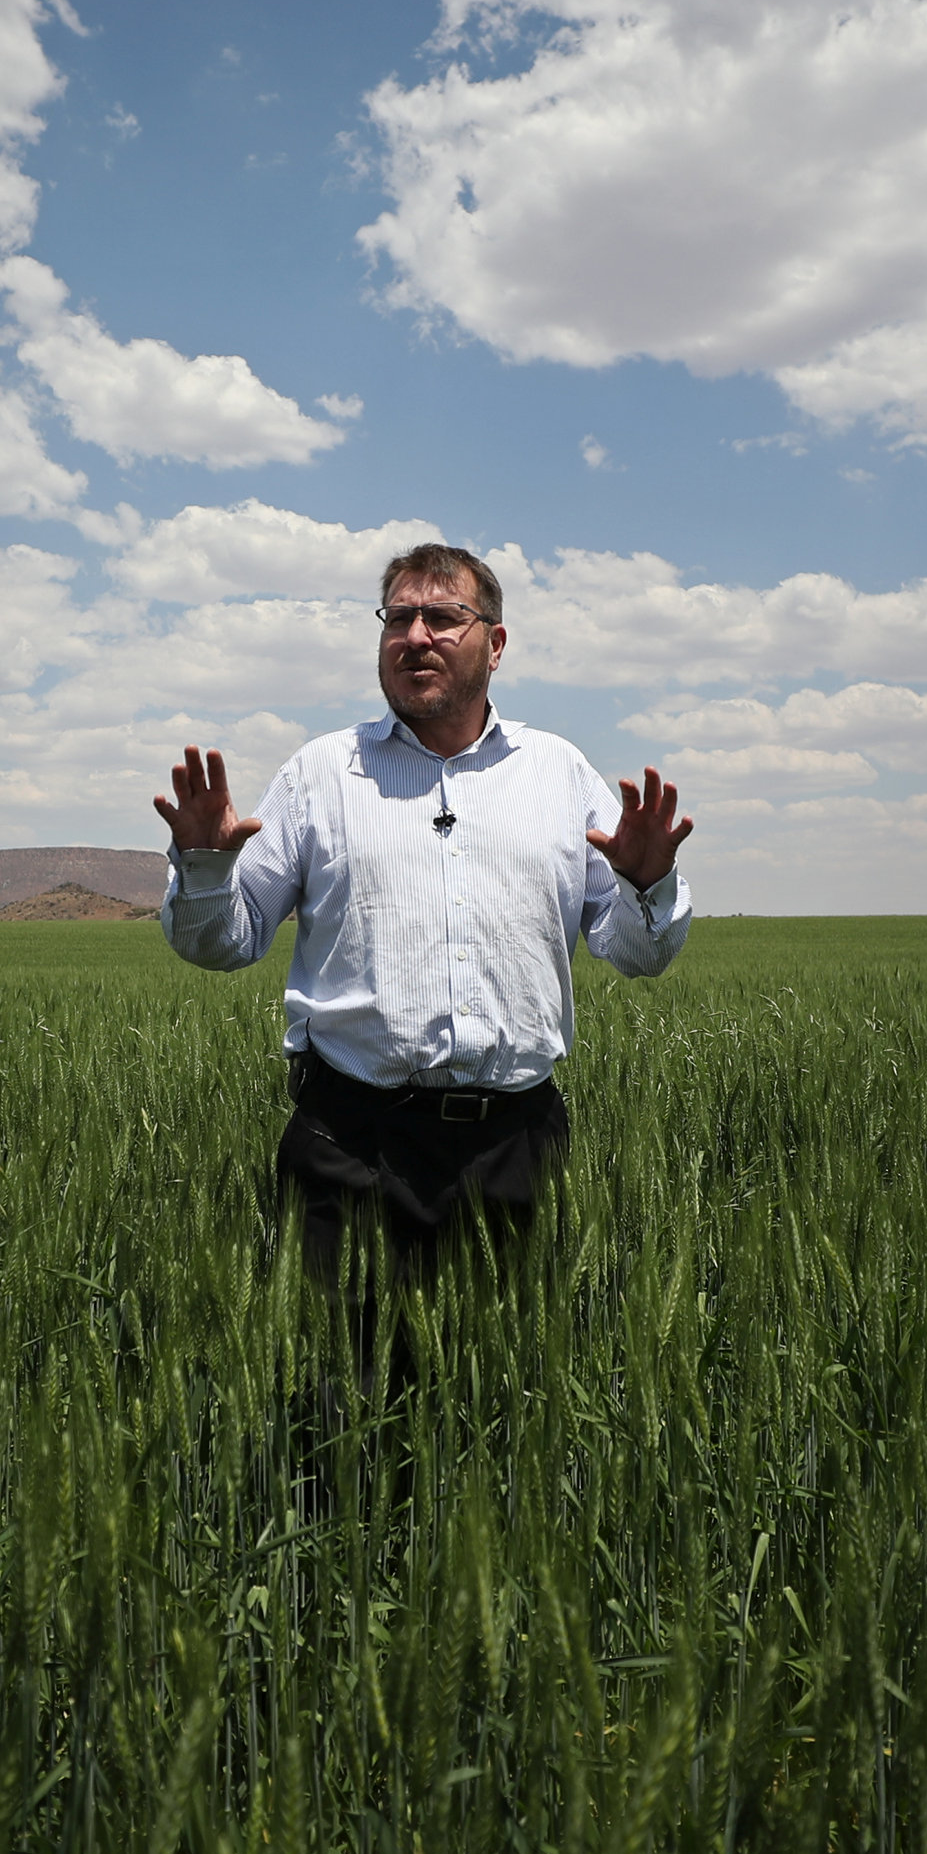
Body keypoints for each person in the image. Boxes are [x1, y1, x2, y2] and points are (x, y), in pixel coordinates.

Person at [155, 541, 694, 1304]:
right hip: (348, 1150)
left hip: (516, 1151)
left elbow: (638, 954)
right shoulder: (319, 774)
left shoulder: (559, 775)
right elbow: (223, 942)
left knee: (507, 1407)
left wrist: (650, 883)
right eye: (399, 617)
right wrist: (206, 869)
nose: (416, 637)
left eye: (443, 617)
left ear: (495, 643)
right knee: (334, 1404)